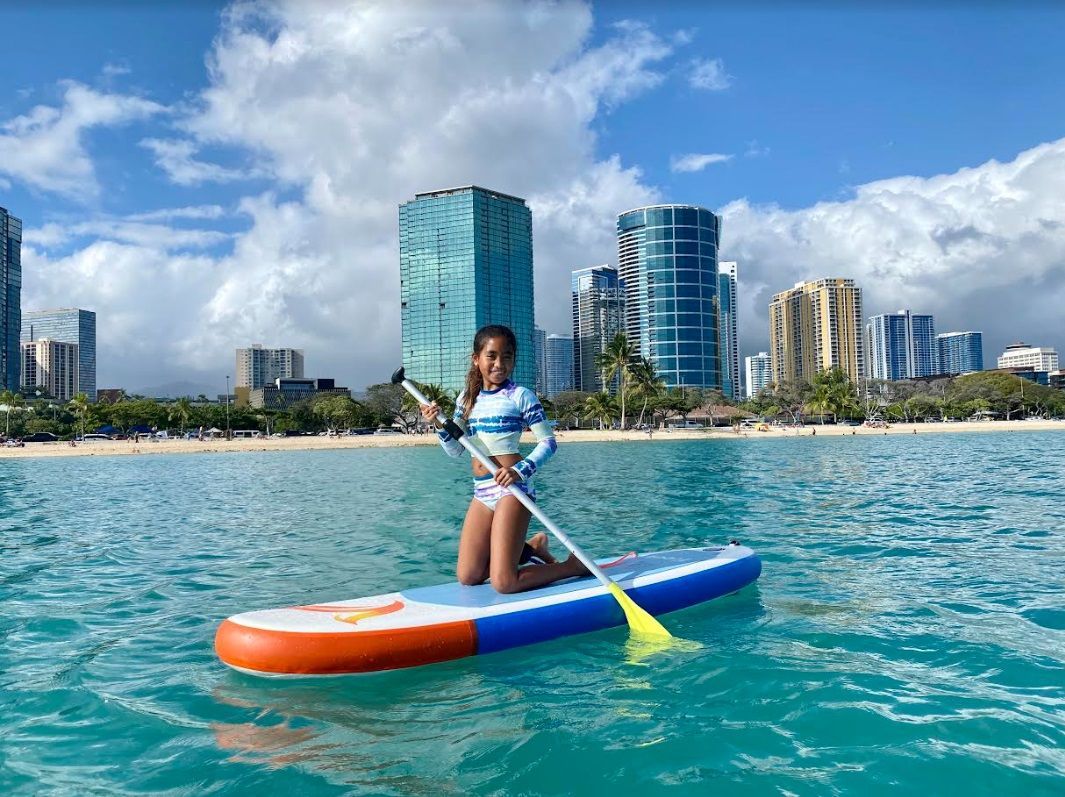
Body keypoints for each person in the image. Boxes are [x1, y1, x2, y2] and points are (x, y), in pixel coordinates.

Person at [421, 324, 589, 594]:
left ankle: (573, 566)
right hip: (482, 491)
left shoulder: (520, 396)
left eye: (507, 356)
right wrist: (439, 427)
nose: (500, 364)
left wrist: (520, 471)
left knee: (504, 583)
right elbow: (456, 450)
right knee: (469, 576)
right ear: (476, 359)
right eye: (492, 356)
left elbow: (548, 442)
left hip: (513, 488)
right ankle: (530, 550)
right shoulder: (466, 400)